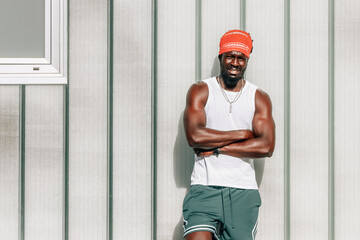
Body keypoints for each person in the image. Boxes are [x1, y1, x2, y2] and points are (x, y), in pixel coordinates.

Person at [182, 30, 275, 240]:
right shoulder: (201, 90)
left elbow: (266, 147)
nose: (235, 63)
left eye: (241, 58)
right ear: (220, 58)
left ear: (247, 60)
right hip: (204, 189)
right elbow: (195, 136)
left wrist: (217, 149)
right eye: (229, 56)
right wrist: (242, 133)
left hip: (243, 192)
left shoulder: (258, 97)